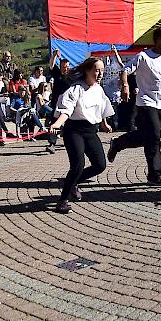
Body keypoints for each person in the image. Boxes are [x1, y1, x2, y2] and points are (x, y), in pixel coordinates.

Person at [107, 26, 161, 185]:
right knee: (155, 135)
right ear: (158, 40)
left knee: (148, 136)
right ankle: (155, 175)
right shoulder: (143, 56)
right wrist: (125, 86)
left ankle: (118, 143)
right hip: (146, 102)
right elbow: (125, 71)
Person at [50, 57, 114, 214]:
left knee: (100, 164)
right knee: (77, 165)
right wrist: (58, 123)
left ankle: (73, 183)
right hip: (74, 130)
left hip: (91, 131)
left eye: (102, 71)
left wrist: (104, 123)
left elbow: (103, 105)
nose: (100, 74)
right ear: (87, 70)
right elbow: (67, 109)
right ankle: (62, 201)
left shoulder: (98, 89)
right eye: (97, 70)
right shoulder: (76, 88)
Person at [46, 50, 73, 154]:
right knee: (54, 123)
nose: (66, 69)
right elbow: (51, 65)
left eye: (67, 67)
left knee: (70, 124)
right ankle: (52, 144)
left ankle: (71, 142)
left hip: (69, 105)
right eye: (64, 67)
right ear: (61, 66)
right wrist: (54, 55)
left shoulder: (72, 77)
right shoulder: (56, 73)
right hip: (56, 104)